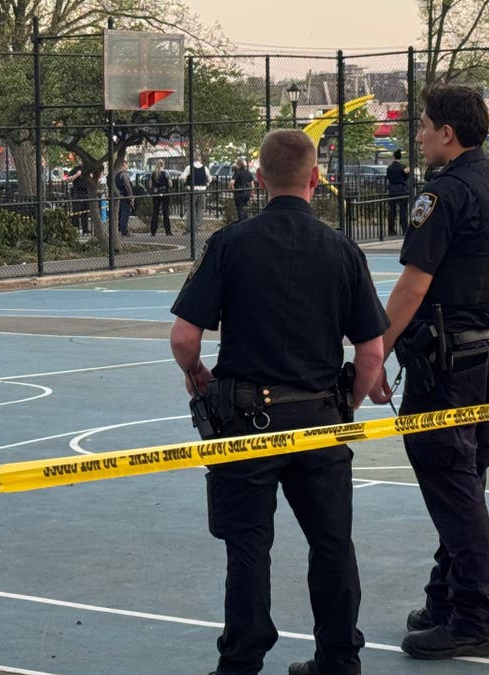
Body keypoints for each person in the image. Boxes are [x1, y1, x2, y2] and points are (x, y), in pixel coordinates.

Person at [169, 129, 388, 675]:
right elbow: (371, 351)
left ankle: (243, 660)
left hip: (246, 420)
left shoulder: (229, 243)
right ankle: (338, 657)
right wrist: (347, 407)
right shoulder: (343, 250)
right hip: (320, 418)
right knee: (332, 544)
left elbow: (183, 339)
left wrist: (197, 374)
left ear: (260, 179)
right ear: (316, 178)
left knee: (248, 546)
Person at [369, 83, 489, 661]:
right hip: (488, 354)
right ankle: (446, 599)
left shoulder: (444, 194)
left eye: (424, 125)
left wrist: (374, 355)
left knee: (453, 488)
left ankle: (473, 619)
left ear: (448, 133)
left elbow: (412, 287)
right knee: (465, 482)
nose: (418, 135)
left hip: (445, 362)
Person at [385, 149, 410, 235]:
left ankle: (391, 230)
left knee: (391, 211)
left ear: (394, 157)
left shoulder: (389, 168)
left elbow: (388, 177)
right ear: (400, 157)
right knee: (403, 210)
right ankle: (404, 229)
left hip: (392, 190)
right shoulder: (403, 167)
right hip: (401, 189)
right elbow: (407, 176)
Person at [182, 154, 210, 229]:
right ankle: (198, 226)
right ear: (200, 160)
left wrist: (186, 183)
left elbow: (182, 177)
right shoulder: (205, 168)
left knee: (191, 209)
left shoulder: (189, 167)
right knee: (200, 209)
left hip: (192, 191)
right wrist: (206, 184)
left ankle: (190, 227)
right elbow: (210, 179)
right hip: (202, 191)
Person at [112, 159, 135, 237]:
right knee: (125, 214)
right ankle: (124, 230)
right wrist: (131, 197)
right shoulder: (124, 174)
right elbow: (127, 186)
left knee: (120, 213)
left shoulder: (116, 175)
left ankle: (119, 229)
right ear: (123, 165)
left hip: (118, 197)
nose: (127, 167)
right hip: (125, 197)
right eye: (126, 165)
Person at [150, 160, 172, 236]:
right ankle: (168, 231)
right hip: (165, 193)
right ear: (163, 165)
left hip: (156, 193)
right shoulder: (166, 173)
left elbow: (150, 185)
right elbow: (170, 184)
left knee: (155, 212)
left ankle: (153, 231)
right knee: (166, 212)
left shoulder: (153, 174)